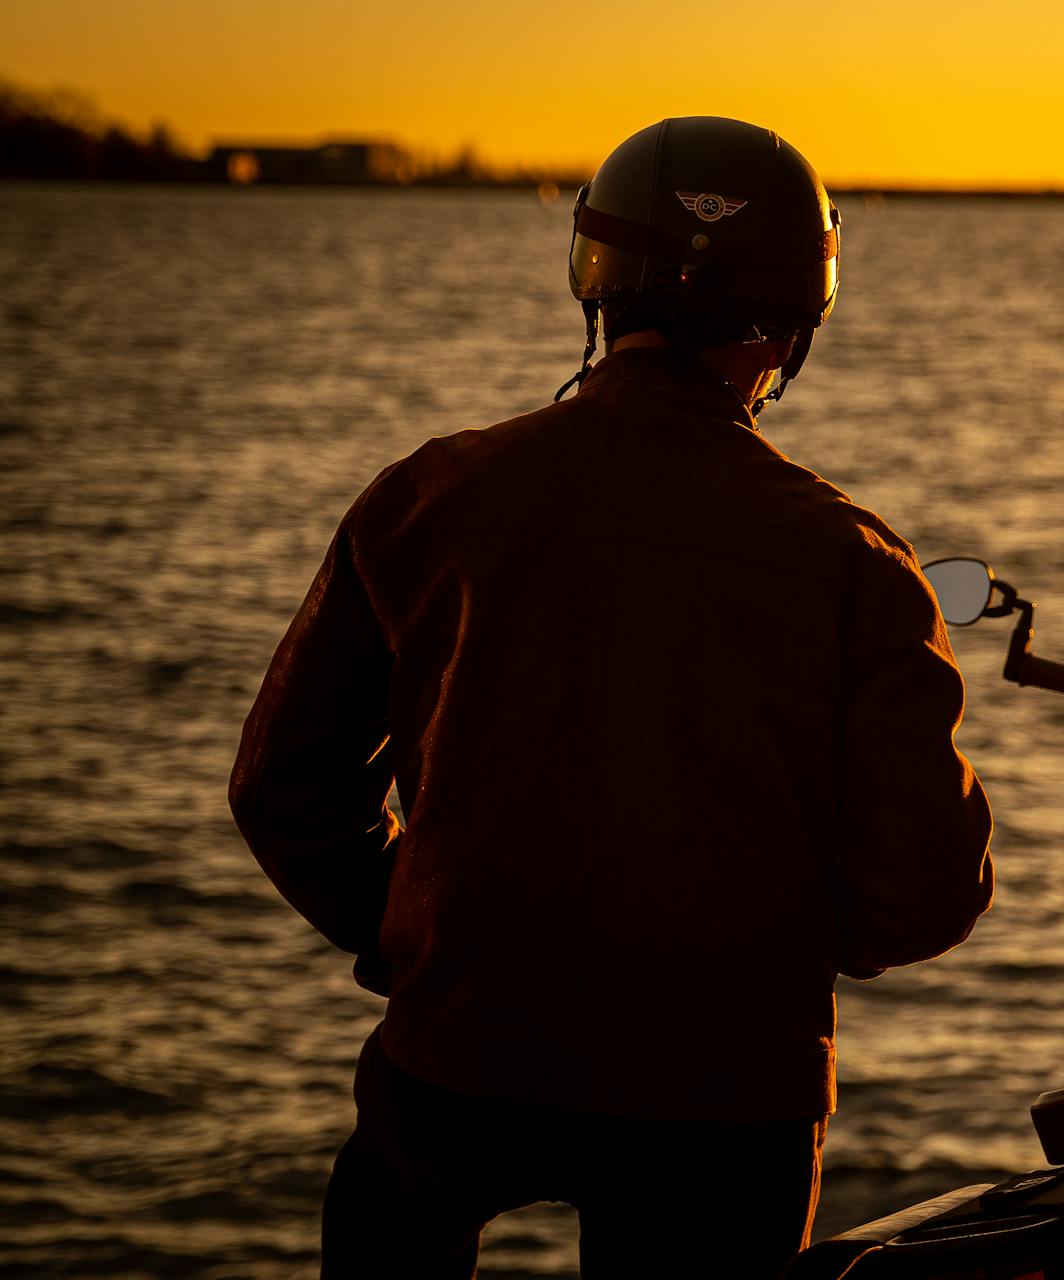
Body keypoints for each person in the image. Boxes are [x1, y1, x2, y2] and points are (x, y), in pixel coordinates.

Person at [229, 116, 994, 1277]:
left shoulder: (427, 497)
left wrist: (414, 925)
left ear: (597, 281)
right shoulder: (856, 562)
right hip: (728, 1099)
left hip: (456, 1054)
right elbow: (930, 889)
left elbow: (282, 785)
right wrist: (758, 955)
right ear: (796, 319)